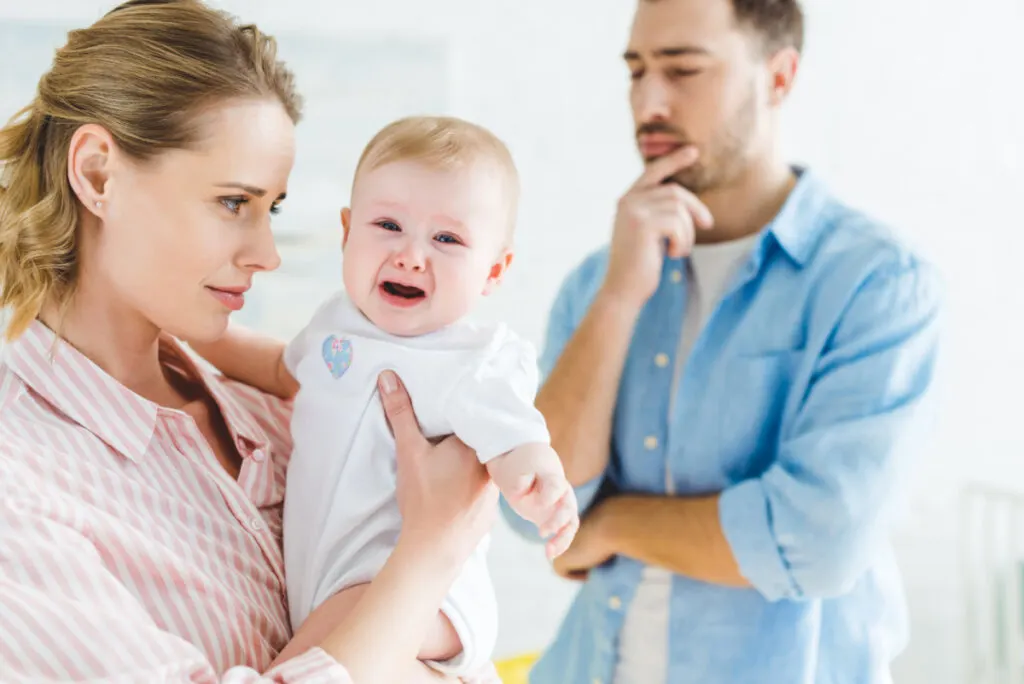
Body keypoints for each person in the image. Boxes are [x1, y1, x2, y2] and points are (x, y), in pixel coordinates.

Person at [0, 2, 498, 682]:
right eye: (234, 203)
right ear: (96, 174)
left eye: (274, 209)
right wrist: (431, 550)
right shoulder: (19, 484)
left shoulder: (284, 416)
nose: (267, 254)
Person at [500, 0, 944, 683]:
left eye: (683, 70)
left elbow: (817, 542)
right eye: (636, 70)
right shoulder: (598, 280)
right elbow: (534, 516)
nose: (648, 100)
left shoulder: (878, 283)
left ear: (778, 77)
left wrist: (610, 524)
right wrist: (620, 298)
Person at [188, 115, 579, 676]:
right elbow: (281, 369)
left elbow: (517, 437)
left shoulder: (475, 359)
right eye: (388, 225)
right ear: (348, 232)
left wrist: (537, 483)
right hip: (335, 580)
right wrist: (199, 335)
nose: (411, 255)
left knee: (309, 659)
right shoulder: (335, 326)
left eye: (447, 239)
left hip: (420, 594)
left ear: (494, 270)